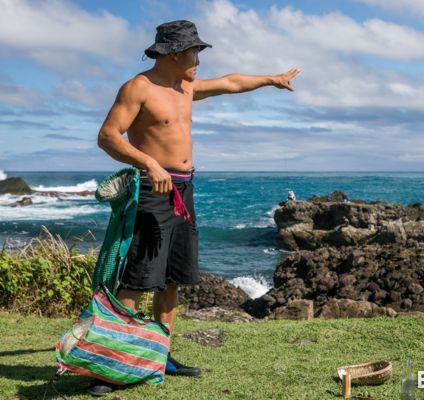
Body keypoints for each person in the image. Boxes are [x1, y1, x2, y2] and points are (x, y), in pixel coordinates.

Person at [94, 20, 300, 396]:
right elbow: (107, 136)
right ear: (174, 54)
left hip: (185, 190)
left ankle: (160, 355)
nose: (198, 61)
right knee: (139, 278)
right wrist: (149, 163)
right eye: (194, 53)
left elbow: (231, 82)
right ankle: (113, 364)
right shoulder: (138, 88)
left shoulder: (184, 87)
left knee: (172, 277)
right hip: (153, 192)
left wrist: (271, 79)